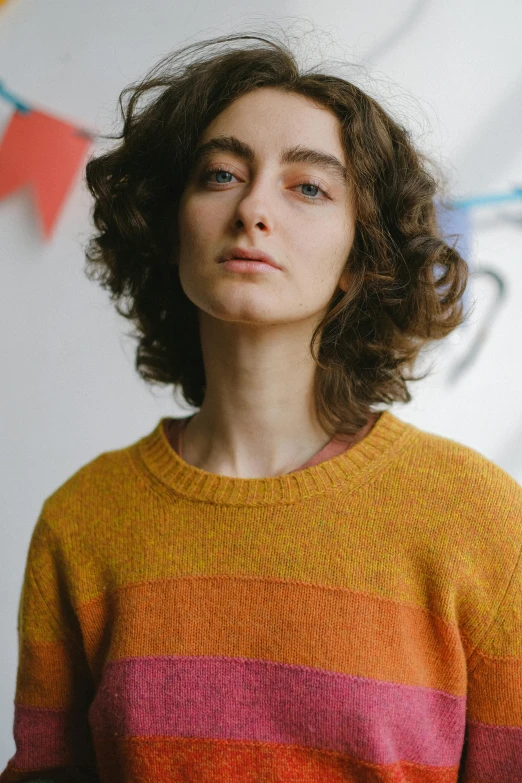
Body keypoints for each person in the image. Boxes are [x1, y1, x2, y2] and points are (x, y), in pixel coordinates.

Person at [2, 28, 521, 783]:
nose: (253, 208)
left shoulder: (479, 518)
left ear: (358, 260)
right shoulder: (82, 521)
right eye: (219, 174)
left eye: (308, 187)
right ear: (169, 224)